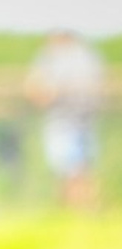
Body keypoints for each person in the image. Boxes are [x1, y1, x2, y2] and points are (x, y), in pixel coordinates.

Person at [25, 30, 107, 207]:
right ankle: (86, 208)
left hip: (62, 122)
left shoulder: (52, 56)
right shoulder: (89, 56)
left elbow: (38, 89)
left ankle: (76, 208)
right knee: (82, 168)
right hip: (85, 120)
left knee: (68, 171)